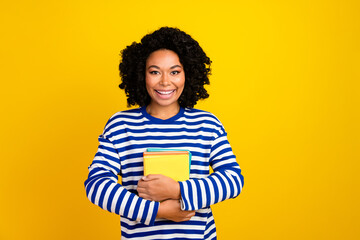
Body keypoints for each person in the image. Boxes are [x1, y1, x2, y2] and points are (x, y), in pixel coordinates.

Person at [84, 27, 244, 240]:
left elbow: (233, 180)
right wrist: (158, 211)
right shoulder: (120, 125)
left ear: (188, 73)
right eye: (155, 71)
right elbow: (96, 184)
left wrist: (177, 190)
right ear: (142, 75)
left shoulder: (207, 124)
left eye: (175, 71)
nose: (165, 81)